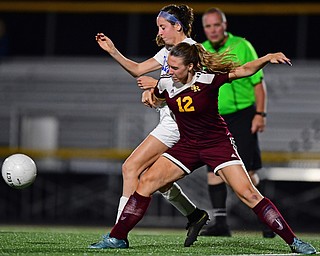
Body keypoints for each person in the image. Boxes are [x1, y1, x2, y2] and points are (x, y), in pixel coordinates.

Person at [88, 42, 316, 254]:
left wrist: (267, 57)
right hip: (187, 145)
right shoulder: (167, 82)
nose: (170, 71)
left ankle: (293, 241)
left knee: (248, 194)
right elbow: (157, 98)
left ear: (190, 67)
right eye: (169, 66)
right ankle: (118, 237)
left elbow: (244, 70)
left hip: (216, 144)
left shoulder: (207, 79)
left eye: (175, 68)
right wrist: (150, 96)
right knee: (147, 182)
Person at [95, 4, 209, 247]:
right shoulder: (169, 51)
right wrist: (113, 51)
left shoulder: (192, 51)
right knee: (159, 180)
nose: (159, 32)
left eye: (163, 27)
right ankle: (194, 215)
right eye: (158, 26)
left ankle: (118, 234)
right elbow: (137, 69)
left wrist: (156, 87)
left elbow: (197, 90)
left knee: (131, 168)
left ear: (177, 26)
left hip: (179, 124)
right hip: (170, 120)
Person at [200, 7, 274, 238]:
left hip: (243, 114)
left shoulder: (242, 46)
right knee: (214, 170)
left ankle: (268, 220)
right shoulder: (201, 50)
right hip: (216, 117)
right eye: (208, 26)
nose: (213, 30)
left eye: (216, 25)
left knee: (248, 171)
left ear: (225, 25)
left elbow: (258, 83)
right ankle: (220, 223)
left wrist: (260, 114)